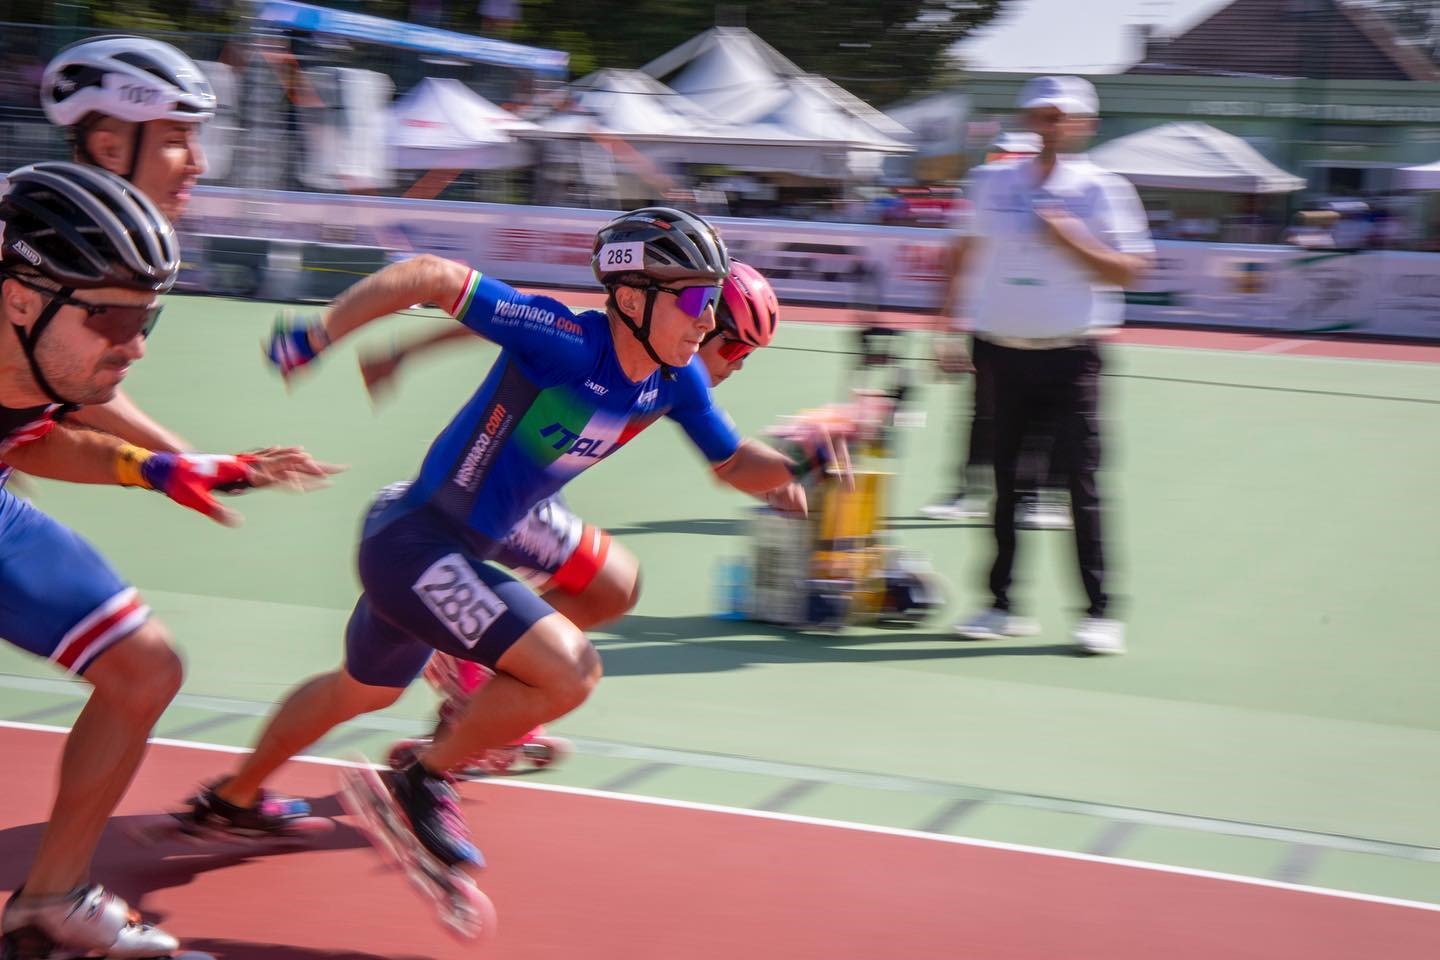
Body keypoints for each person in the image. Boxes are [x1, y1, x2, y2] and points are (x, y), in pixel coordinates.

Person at [170, 209, 810, 903]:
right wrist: (321, 333)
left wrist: (799, 465)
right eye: (695, 301)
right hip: (416, 540)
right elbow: (434, 277)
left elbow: (733, 463)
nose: (705, 319)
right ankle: (427, 776)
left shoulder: (676, 381)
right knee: (568, 672)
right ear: (632, 298)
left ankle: (231, 798)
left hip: (465, 541)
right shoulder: (565, 341)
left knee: (363, 688)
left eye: (712, 302)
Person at [0, 162, 336, 960]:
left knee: (142, 668)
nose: (137, 345)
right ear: (20, 295)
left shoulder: (43, 345)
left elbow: (34, 432)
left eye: (147, 316)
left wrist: (158, 466)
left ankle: (50, 904)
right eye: (114, 318)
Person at [359, 261, 781, 768]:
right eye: (735, 347)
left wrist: (784, 475)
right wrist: (405, 352)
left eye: (751, 355)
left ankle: (475, 701)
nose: (737, 364)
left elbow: (730, 458)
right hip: (493, 494)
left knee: (615, 586)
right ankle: (476, 677)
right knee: (603, 591)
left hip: (533, 498)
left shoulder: (675, 377)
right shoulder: (614, 346)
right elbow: (496, 330)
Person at [947, 77, 1153, 655]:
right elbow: (962, 253)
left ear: (1085, 125)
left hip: (1072, 356)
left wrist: (1071, 238)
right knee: (1006, 486)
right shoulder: (990, 181)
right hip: (999, 350)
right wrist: (947, 327)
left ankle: (1100, 612)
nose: (1050, 125)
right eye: (1041, 114)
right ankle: (1000, 605)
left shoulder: (1104, 189)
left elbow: (1131, 273)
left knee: (1081, 485)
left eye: (1062, 116)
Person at [39, 35, 217, 457]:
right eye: (176, 141)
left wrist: (181, 461)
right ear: (110, 149)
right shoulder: (48, 250)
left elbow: (69, 388)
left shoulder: (97, 243)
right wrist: (182, 459)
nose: (199, 163)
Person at [925, 129, 1070, 531]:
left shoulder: (1057, 198)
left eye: (1008, 157)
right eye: (997, 156)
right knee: (983, 414)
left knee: (1046, 415)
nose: (999, 164)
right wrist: (946, 329)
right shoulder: (983, 196)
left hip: (1049, 328)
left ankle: (1042, 498)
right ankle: (968, 492)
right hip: (989, 326)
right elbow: (959, 260)